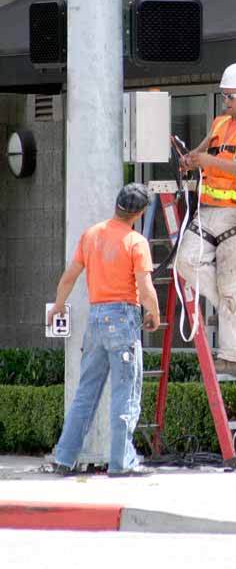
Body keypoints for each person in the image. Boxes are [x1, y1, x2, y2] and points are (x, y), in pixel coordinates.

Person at [47, 183, 160, 477]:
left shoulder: (91, 234)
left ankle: (64, 458)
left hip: (96, 321)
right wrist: (154, 312)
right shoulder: (136, 242)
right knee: (125, 393)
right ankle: (122, 462)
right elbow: (145, 288)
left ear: (117, 205)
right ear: (140, 213)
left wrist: (58, 306)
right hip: (123, 318)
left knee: (86, 393)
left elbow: (69, 276)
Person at [177, 62, 236, 377]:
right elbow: (201, 153)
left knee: (232, 282)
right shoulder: (221, 123)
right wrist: (190, 159)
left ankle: (232, 357)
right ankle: (232, 306)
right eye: (224, 96)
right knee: (185, 261)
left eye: (230, 96)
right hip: (208, 210)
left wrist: (208, 161)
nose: (226, 102)